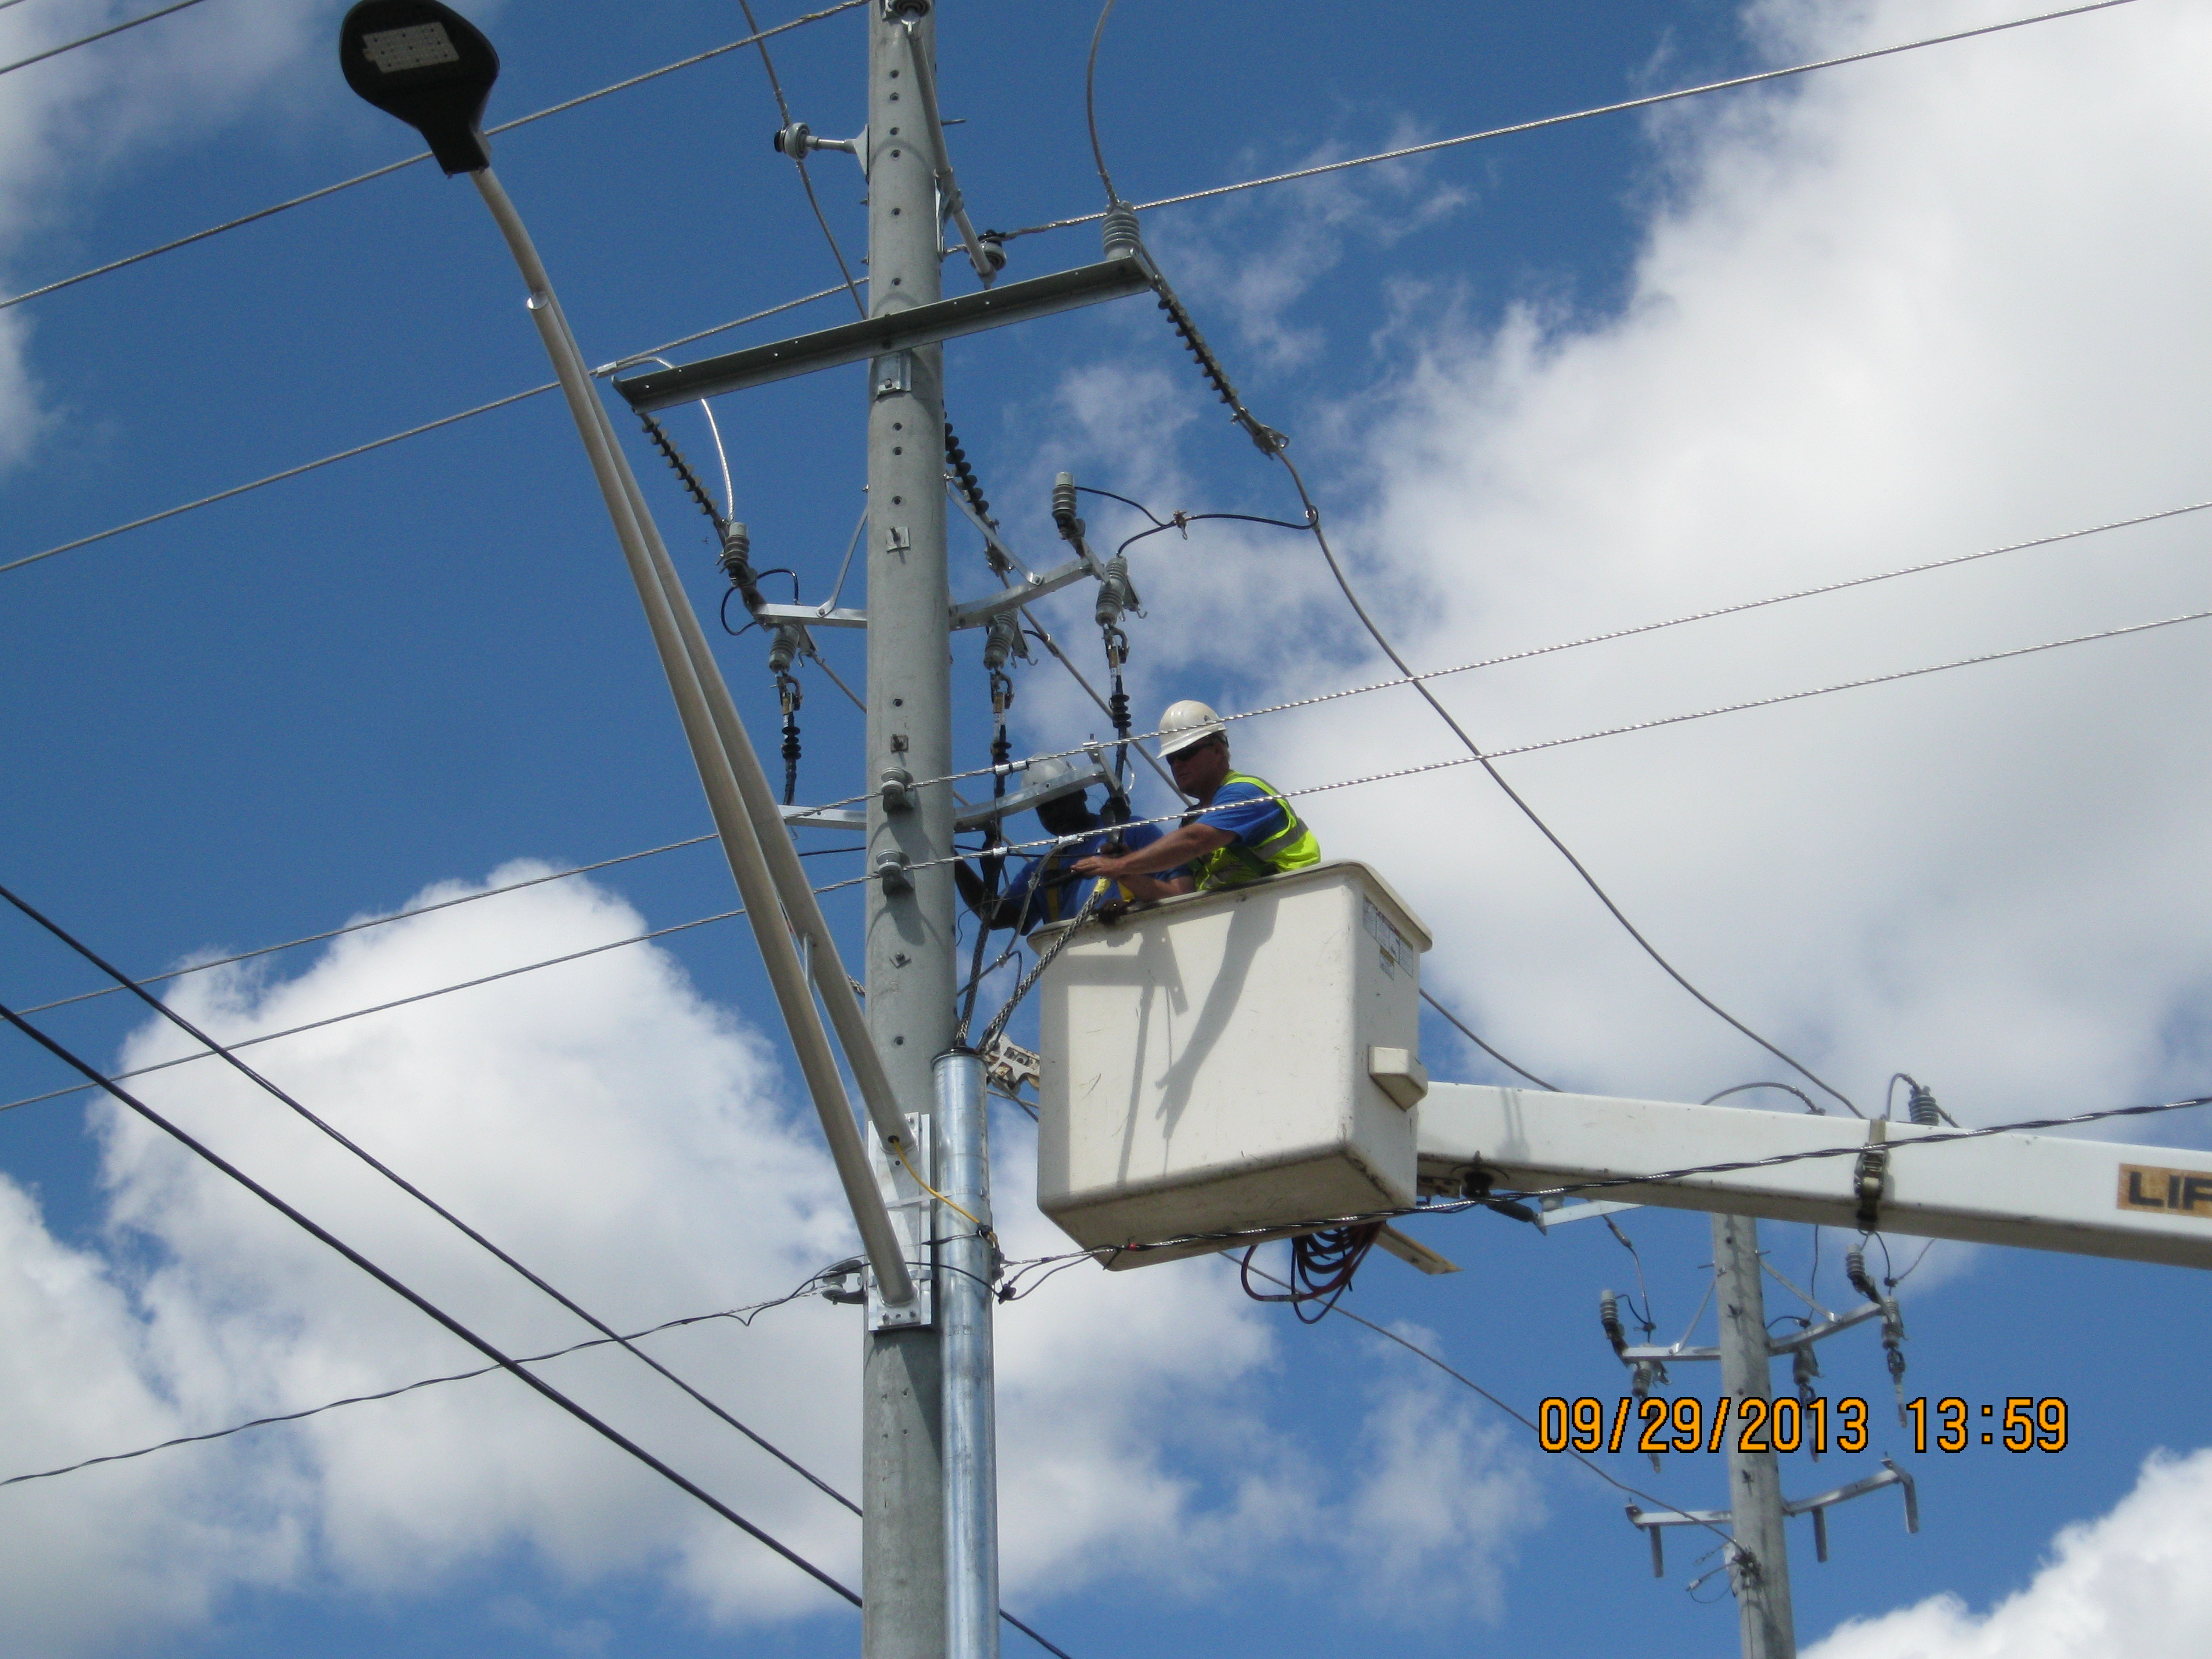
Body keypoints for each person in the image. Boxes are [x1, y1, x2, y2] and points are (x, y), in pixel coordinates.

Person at [1073, 700, 1319, 894]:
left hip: (1294, 901)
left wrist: (1120, 864)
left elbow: (1196, 840)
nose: (1178, 764)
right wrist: (1125, 874)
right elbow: (1177, 896)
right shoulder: (1193, 820)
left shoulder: (1247, 792)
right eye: (1172, 758)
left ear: (1218, 750)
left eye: (1187, 754)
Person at [954, 757, 1180, 933]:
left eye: (1060, 802)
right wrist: (951, 858)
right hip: (1078, 977)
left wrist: (1131, 909)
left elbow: (1180, 896)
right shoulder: (1041, 870)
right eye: (1044, 809)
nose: (1054, 814)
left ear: (1081, 794)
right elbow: (998, 916)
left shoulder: (1132, 832)